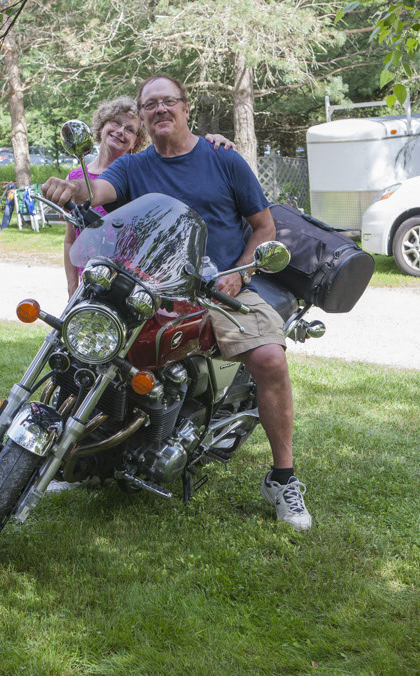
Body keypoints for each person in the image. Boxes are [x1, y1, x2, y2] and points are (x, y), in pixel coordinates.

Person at [43, 75, 311, 530]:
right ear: (144, 116)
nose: (160, 109)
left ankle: (283, 478)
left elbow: (264, 226)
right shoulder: (134, 166)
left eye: (168, 101)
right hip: (148, 286)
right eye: (150, 104)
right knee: (84, 341)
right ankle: (78, 453)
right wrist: (75, 188)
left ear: (186, 108)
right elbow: (99, 191)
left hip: (217, 285)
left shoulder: (223, 159)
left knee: (270, 359)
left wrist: (240, 273)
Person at [63, 95, 235, 296]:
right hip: (89, 281)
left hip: (132, 286)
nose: (120, 131)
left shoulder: (141, 175)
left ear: (136, 141)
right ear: (102, 126)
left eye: (130, 129)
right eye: (116, 123)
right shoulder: (75, 179)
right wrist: (72, 287)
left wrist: (213, 144)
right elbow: (70, 240)